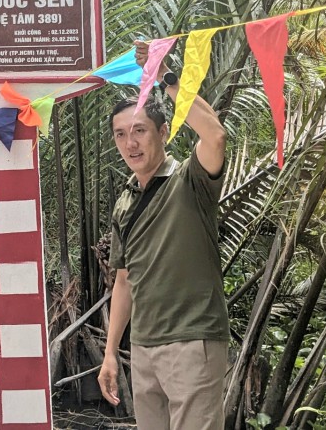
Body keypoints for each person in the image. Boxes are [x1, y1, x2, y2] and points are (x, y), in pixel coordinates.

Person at [97, 40, 229, 430]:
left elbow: (215, 135)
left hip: (193, 340)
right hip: (143, 347)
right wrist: (110, 352)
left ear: (163, 132)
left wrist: (166, 76)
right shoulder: (125, 201)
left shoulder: (191, 179)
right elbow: (124, 280)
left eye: (139, 130)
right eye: (121, 134)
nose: (130, 143)